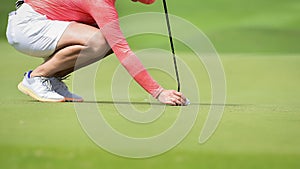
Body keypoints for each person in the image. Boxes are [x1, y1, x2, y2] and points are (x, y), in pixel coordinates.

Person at [6, 0, 189, 106]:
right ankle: (37, 77)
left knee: (104, 42)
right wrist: (159, 92)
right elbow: (123, 51)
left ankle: (51, 79)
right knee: (103, 40)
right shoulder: (101, 4)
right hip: (28, 27)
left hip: (38, 24)